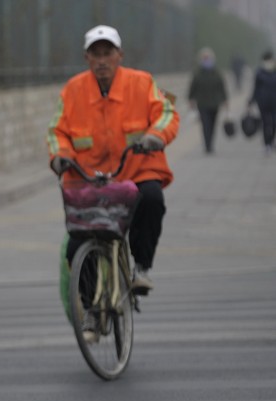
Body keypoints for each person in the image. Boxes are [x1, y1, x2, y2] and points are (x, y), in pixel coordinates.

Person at [48, 25, 179, 304]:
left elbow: (167, 113)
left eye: (108, 53)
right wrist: (60, 155)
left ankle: (141, 267)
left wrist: (155, 136)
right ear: (87, 58)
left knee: (152, 200)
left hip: (136, 170)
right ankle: (90, 310)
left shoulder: (142, 83)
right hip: (90, 179)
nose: (102, 60)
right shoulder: (73, 90)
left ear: (120, 55)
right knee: (76, 247)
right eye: (96, 54)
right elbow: (56, 131)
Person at [188, 47, 228, 155]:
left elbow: (222, 87)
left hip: (215, 104)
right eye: (205, 58)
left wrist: (225, 100)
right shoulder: (197, 73)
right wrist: (191, 99)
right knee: (205, 125)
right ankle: (207, 145)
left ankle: (211, 143)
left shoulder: (217, 73)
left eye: (208, 58)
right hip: (202, 104)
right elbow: (192, 87)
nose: (207, 60)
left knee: (213, 124)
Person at [247, 50, 276, 155]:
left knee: (274, 122)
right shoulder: (259, 73)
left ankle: (271, 141)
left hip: (274, 102)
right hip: (263, 102)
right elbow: (255, 88)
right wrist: (251, 101)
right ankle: (266, 144)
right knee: (265, 123)